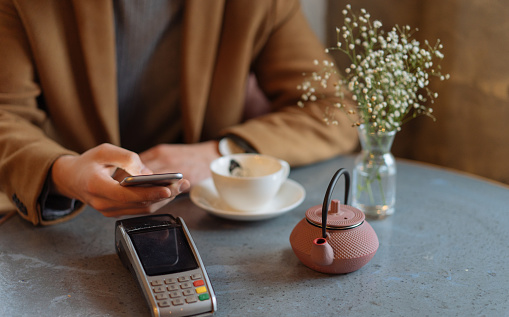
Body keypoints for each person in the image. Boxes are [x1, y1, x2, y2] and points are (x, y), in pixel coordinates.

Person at [0, 0, 357, 225]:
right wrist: (65, 174)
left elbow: (335, 110)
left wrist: (221, 153)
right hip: (71, 217)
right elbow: (6, 115)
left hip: (205, 216)